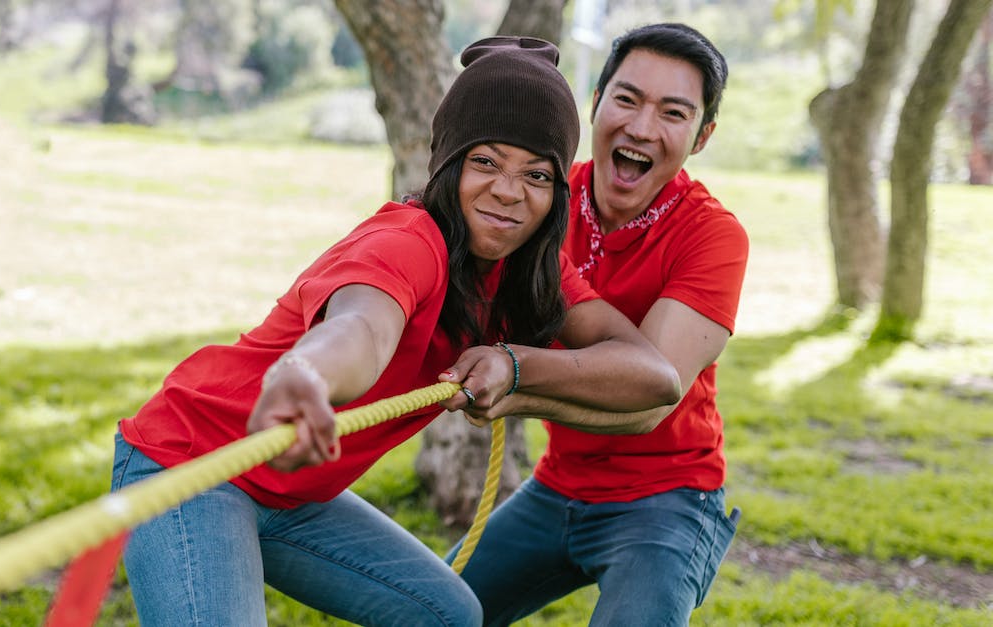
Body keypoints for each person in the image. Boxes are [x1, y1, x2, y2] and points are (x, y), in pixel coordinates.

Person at [111, 36, 682, 626]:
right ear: (447, 164)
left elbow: (655, 376)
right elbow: (362, 326)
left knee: (448, 615)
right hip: (193, 464)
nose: (508, 192)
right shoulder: (408, 243)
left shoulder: (532, 272)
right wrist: (306, 373)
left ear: (556, 194)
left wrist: (515, 366)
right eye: (485, 161)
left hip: (292, 489)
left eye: (536, 175)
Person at [445, 23, 750, 626]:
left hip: (667, 497)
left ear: (702, 136)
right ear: (596, 103)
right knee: (423, 610)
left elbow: (649, 405)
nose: (640, 127)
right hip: (555, 486)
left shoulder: (713, 235)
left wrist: (513, 380)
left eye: (673, 112)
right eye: (627, 99)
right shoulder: (542, 195)